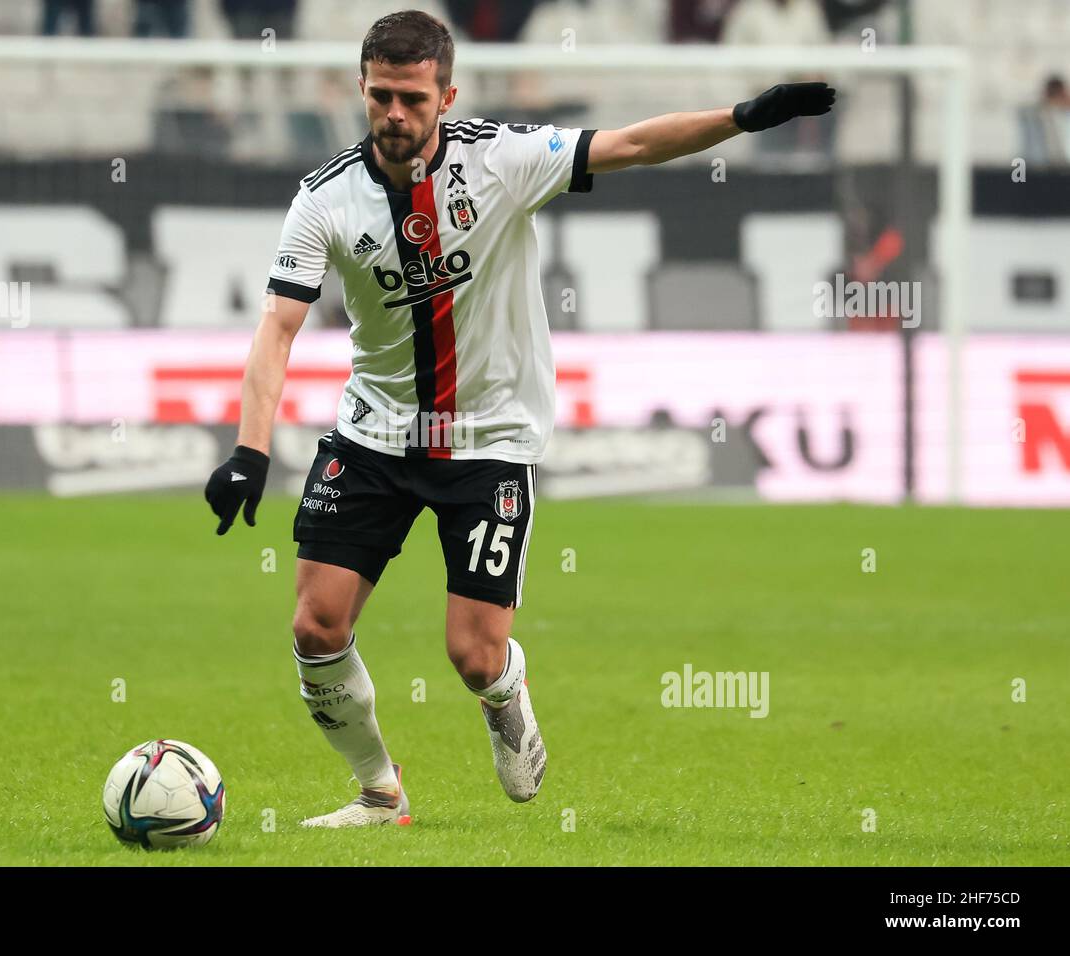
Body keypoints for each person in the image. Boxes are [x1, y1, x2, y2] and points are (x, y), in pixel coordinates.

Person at [204, 9, 834, 828]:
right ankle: (377, 791)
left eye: (414, 98)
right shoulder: (322, 200)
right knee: (316, 627)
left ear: (446, 95)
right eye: (382, 96)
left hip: (490, 441)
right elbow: (277, 330)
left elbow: (634, 145)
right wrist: (249, 451)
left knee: (472, 655)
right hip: (374, 435)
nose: (396, 114)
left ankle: (506, 697)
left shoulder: (500, 161)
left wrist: (743, 117)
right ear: (361, 89)